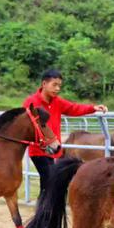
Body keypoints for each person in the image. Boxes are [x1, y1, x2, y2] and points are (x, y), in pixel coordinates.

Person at [23, 69, 108, 199]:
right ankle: (44, 213)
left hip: (53, 149)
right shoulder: (31, 102)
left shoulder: (57, 101)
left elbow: (74, 108)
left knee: (47, 182)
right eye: (54, 85)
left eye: (59, 86)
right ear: (44, 84)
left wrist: (93, 108)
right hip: (38, 150)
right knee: (50, 179)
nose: (57, 88)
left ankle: (42, 213)